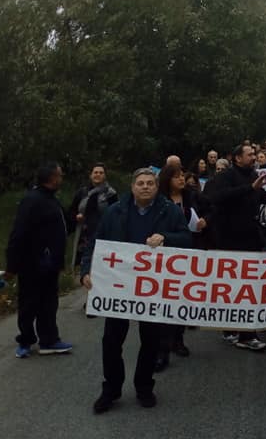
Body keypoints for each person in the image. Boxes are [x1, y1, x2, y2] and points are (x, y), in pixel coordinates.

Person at [81, 168, 191, 413]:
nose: (145, 187)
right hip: (119, 286)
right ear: (132, 187)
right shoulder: (115, 211)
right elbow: (96, 244)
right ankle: (111, 389)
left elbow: (187, 239)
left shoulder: (169, 211)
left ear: (156, 186)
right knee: (111, 341)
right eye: (140, 183)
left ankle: (144, 387)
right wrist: (85, 271)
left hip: (153, 287)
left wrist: (166, 238)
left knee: (150, 340)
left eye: (150, 183)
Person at [208, 143, 266, 351]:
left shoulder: (252, 175)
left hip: (250, 238)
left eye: (254, 155)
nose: (254, 158)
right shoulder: (226, 177)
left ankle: (247, 333)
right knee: (231, 286)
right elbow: (219, 197)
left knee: (249, 286)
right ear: (237, 158)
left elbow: (260, 196)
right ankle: (231, 329)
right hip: (230, 239)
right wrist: (249, 188)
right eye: (249, 155)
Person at [5, 161, 73, 359]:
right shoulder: (32, 200)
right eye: (60, 175)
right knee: (28, 303)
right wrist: (12, 265)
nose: (62, 178)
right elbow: (18, 234)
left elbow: (60, 227)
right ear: (51, 178)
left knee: (48, 303)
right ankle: (25, 340)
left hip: (49, 265)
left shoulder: (51, 199)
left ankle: (49, 340)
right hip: (32, 264)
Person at [153, 165, 207, 370]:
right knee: (165, 301)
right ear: (167, 180)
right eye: (176, 177)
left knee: (182, 298)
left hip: (189, 251)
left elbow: (211, 208)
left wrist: (205, 220)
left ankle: (178, 339)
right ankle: (162, 350)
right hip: (164, 256)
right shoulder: (159, 201)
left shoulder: (191, 196)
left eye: (182, 176)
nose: (182, 180)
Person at [70, 163, 118, 268]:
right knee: (81, 264)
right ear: (91, 175)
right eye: (95, 172)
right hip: (83, 234)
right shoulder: (82, 192)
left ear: (105, 176)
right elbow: (72, 210)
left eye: (101, 173)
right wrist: (76, 216)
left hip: (102, 232)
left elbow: (116, 215)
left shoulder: (111, 194)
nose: (98, 175)